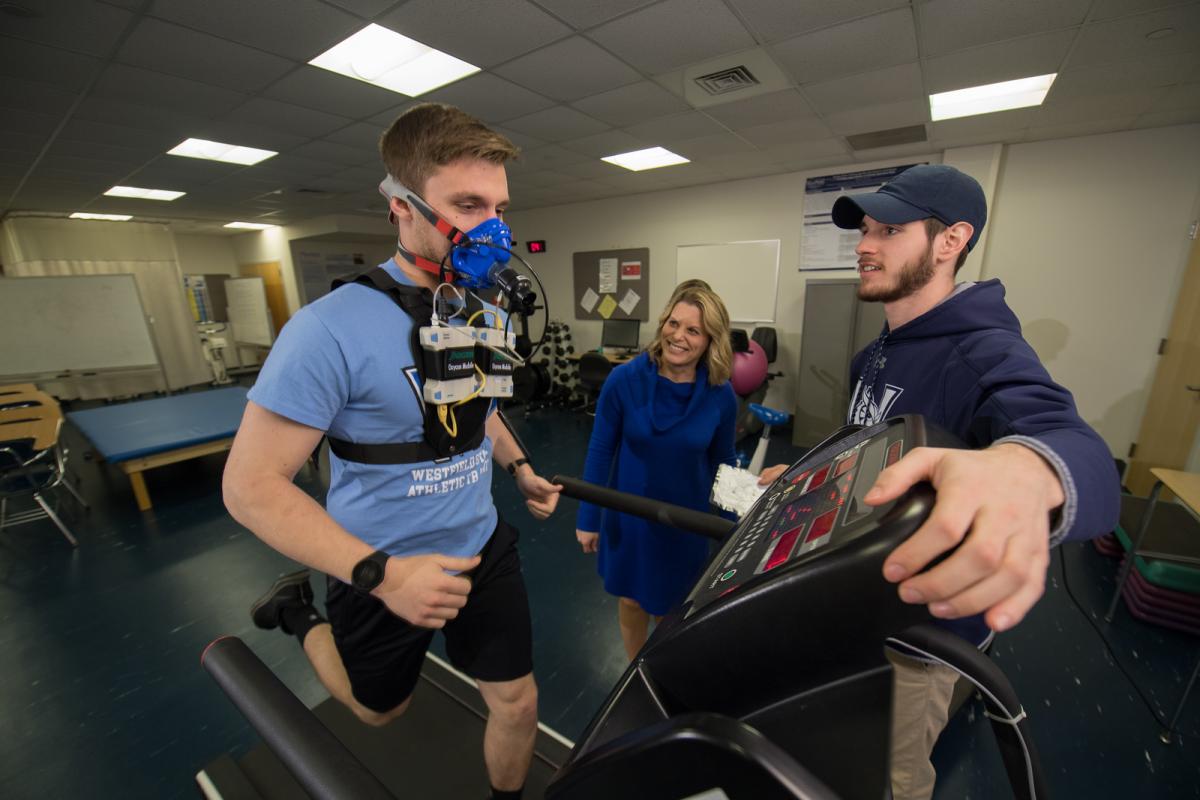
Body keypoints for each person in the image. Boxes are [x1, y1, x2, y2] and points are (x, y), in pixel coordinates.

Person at [223, 103, 562, 800]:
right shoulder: (326, 330)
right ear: (402, 207)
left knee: (518, 701)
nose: (491, 228)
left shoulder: (484, 311)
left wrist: (518, 467)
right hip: (377, 560)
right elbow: (250, 487)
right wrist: (384, 576)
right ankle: (298, 613)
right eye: (468, 204)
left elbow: (480, 411)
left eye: (498, 205)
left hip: (479, 544)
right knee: (381, 710)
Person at [759, 164, 1119, 799]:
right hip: (860, 599)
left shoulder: (984, 350)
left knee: (892, 778)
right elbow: (864, 444)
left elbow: (1078, 450)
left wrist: (1026, 468)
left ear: (951, 241)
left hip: (923, 636)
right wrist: (810, 473)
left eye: (889, 229)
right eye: (866, 229)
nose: (865, 245)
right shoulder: (874, 353)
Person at [575, 283, 738, 661]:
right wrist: (588, 518)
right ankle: (635, 674)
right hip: (629, 517)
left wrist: (734, 529)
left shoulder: (720, 394)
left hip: (684, 522)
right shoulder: (624, 381)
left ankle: (665, 671)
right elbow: (600, 450)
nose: (678, 336)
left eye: (693, 330)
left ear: (710, 340)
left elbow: (724, 462)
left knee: (671, 610)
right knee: (631, 600)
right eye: (673, 323)